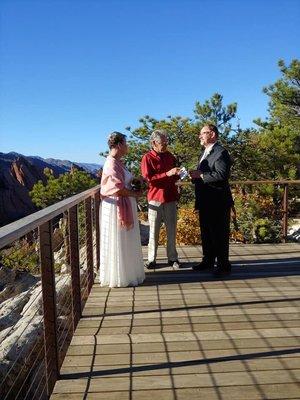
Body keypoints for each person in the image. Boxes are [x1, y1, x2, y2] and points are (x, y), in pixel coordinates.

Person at [99, 132, 145, 287]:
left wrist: (137, 181)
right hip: (116, 207)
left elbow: (125, 181)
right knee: (118, 240)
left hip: (122, 203)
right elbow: (116, 189)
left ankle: (126, 273)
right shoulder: (111, 164)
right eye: (125, 143)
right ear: (118, 145)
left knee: (124, 240)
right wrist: (136, 194)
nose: (127, 146)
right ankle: (120, 276)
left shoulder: (118, 162)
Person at [190, 124, 233, 277]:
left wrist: (200, 175)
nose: (199, 136)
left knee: (219, 234)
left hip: (218, 201)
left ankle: (224, 266)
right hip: (205, 200)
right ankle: (208, 260)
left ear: (212, 134)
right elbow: (205, 174)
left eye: (203, 133)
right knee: (207, 233)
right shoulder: (204, 152)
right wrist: (193, 176)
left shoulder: (221, 152)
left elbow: (222, 175)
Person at [141, 129, 181, 270]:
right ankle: (151, 259)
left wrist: (179, 173)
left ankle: (173, 258)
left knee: (172, 230)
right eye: (163, 143)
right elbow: (148, 179)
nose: (165, 145)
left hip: (170, 197)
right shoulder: (147, 158)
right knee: (154, 231)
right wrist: (167, 173)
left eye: (166, 142)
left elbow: (173, 177)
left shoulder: (170, 156)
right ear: (154, 143)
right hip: (155, 199)